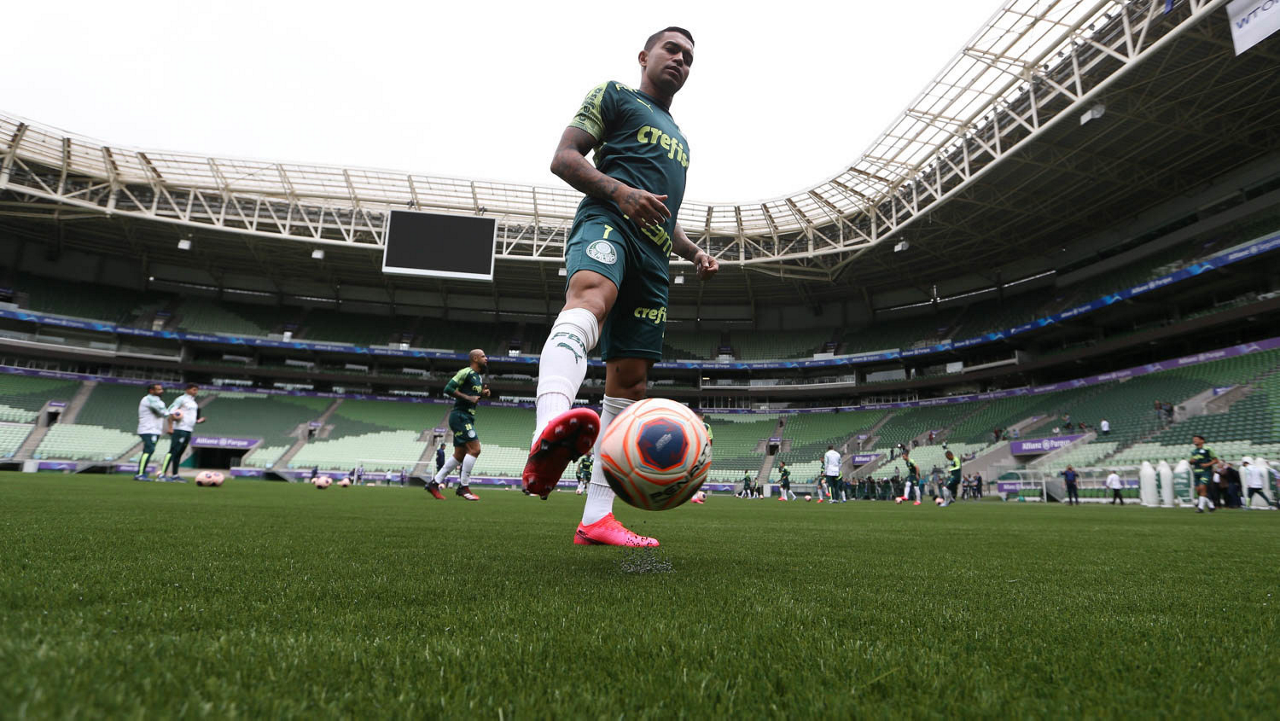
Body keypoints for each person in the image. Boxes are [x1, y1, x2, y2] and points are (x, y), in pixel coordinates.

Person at [518, 27, 716, 548]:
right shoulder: (614, 95)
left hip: (655, 257)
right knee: (591, 298)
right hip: (608, 221)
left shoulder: (681, 141)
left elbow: (666, 213)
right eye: (672, 49)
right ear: (644, 56)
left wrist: (694, 251)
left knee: (630, 382)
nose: (681, 60)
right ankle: (547, 431)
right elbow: (565, 157)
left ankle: (597, 519)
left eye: (689, 57)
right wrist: (621, 193)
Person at [431, 349, 489, 502]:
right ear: (475, 358)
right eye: (483, 356)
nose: (486, 359)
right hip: (460, 416)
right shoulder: (466, 372)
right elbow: (448, 389)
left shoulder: (478, 377)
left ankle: (434, 483)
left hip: (467, 416)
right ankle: (463, 487)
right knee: (475, 449)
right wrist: (469, 398)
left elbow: (473, 397)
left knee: (459, 454)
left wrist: (482, 394)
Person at [159, 382, 204, 482]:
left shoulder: (193, 403)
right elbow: (170, 411)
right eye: (194, 389)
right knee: (173, 451)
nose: (196, 392)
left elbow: (189, 417)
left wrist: (197, 421)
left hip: (188, 430)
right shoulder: (181, 399)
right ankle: (162, 475)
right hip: (180, 429)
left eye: (197, 390)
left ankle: (175, 475)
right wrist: (170, 427)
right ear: (187, 390)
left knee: (179, 453)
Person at [134, 382, 168, 481]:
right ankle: (140, 474)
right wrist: (168, 412)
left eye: (161, 389)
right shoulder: (147, 399)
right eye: (158, 389)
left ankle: (141, 473)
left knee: (150, 450)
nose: (161, 391)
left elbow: (164, 412)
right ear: (151, 390)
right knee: (149, 449)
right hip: (147, 429)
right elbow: (162, 412)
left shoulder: (160, 402)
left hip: (156, 430)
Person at [1190, 434, 1217, 513]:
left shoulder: (1208, 449)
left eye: (1196, 439)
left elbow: (1216, 460)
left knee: (1202, 488)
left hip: (1206, 472)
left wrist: (1207, 464)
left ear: (1202, 440)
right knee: (1199, 491)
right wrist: (1191, 461)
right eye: (1194, 439)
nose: (1194, 440)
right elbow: (1191, 461)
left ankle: (1200, 508)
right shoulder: (1194, 451)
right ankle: (1211, 506)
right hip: (1196, 472)